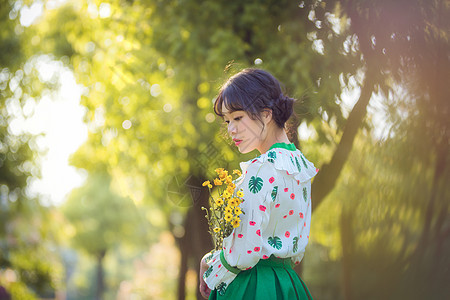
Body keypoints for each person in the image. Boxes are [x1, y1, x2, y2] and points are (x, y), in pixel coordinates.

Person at [199, 68, 318, 300]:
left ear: (266, 114)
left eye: (238, 117)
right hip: (287, 285)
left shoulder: (260, 170)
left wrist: (209, 263)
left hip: (253, 287)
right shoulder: (301, 167)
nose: (231, 129)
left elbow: (245, 252)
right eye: (227, 121)